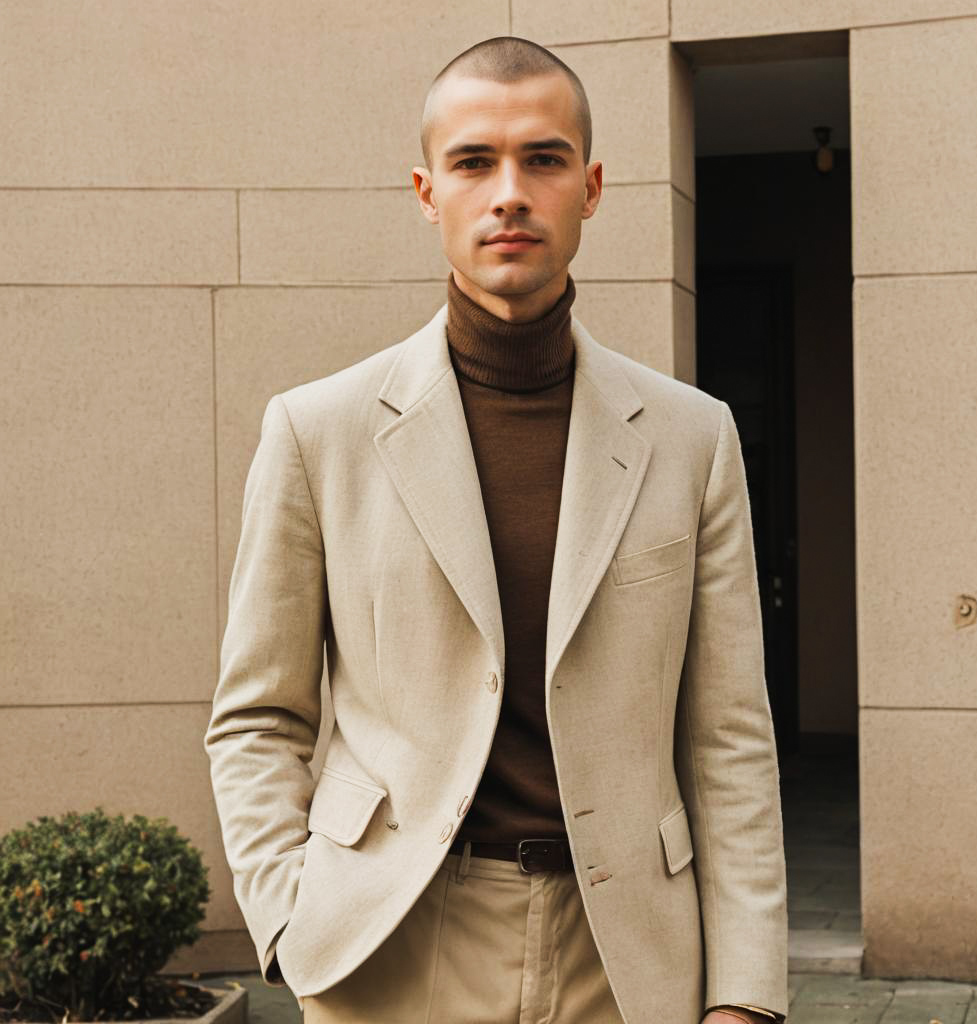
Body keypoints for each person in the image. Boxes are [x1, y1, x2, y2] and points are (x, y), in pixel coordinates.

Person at [205, 35, 788, 1024]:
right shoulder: (319, 430)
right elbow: (258, 716)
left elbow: (727, 738)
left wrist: (744, 997)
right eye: (475, 162)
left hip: (629, 957)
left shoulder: (693, 437)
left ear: (592, 187)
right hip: (391, 946)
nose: (508, 192)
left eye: (543, 159)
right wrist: (288, 917)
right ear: (428, 192)